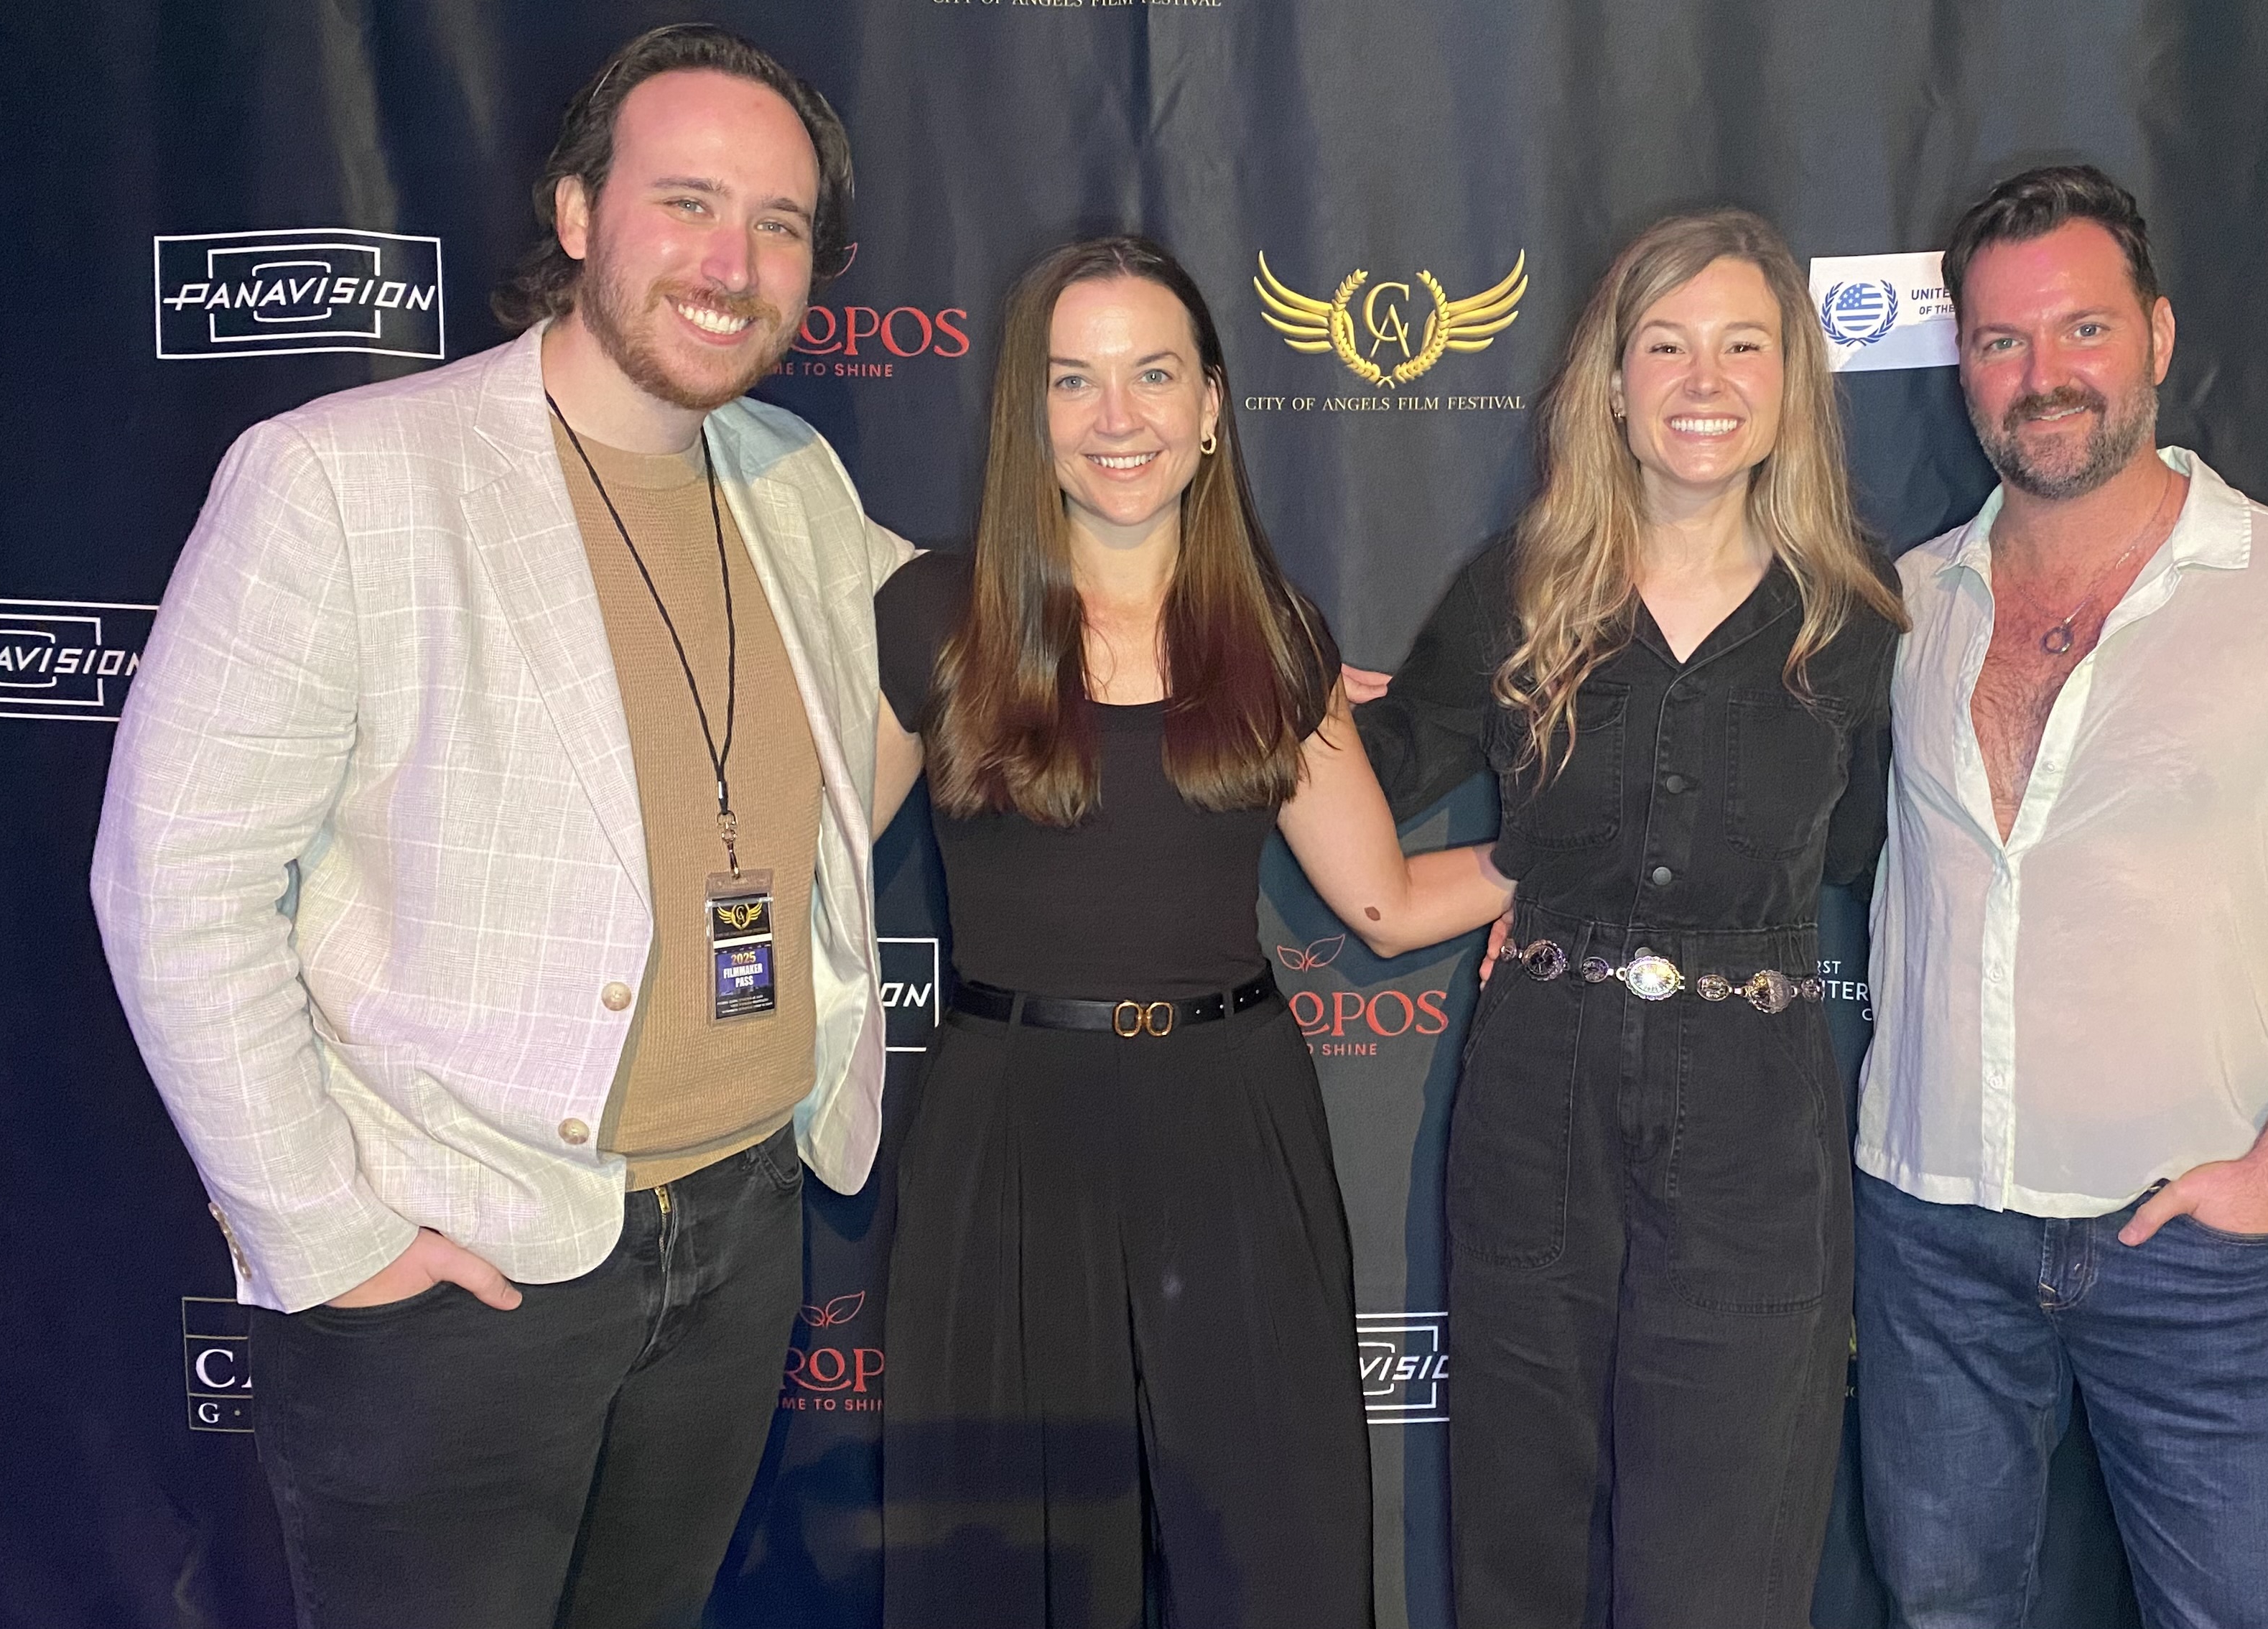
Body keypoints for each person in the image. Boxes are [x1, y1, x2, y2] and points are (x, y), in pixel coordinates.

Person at [88, 26, 898, 1629]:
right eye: (686, 201)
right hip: (458, 1264)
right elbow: (172, 883)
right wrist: (328, 1235)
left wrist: (1245, 637)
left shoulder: (794, 476)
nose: (732, 262)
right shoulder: (342, 480)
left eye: (780, 223)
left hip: (737, 1231)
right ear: (580, 212)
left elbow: (981, 622)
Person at [1851, 164, 2268, 1629]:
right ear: (1965, 369)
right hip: (1931, 1233)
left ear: (2160, 338)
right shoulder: (1907, 603)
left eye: (2082, 330)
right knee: (1945, 1612)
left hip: (2194, 1243)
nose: (2042, 374)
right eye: (2002, 341)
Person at [870, 235, 1512, 1629]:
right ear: (1028, 416)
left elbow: (1385, 902)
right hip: (1007, 1134)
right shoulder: (936, 615)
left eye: (1154, 376)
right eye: (1077, 382)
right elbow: (802, 865)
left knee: (1269, 1555)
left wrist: (1558, 870)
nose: (1120, 420)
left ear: (1213, 406)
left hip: (1231, 1129)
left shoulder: (1272, 636)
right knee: (1001, 1567)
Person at [1352, 208, 1904, 1628]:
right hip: (1539, 1092)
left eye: (1741, 346)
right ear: (1610, 382)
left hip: (1752, 1129)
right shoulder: (1518, 586)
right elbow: (1382, 768)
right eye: (1663, 344)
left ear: (1793, 389)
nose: (1702, 380)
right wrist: (1248, 672)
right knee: (1521, 1541)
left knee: (1721, 1561)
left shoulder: (1851, 616)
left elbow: (1861, 850)